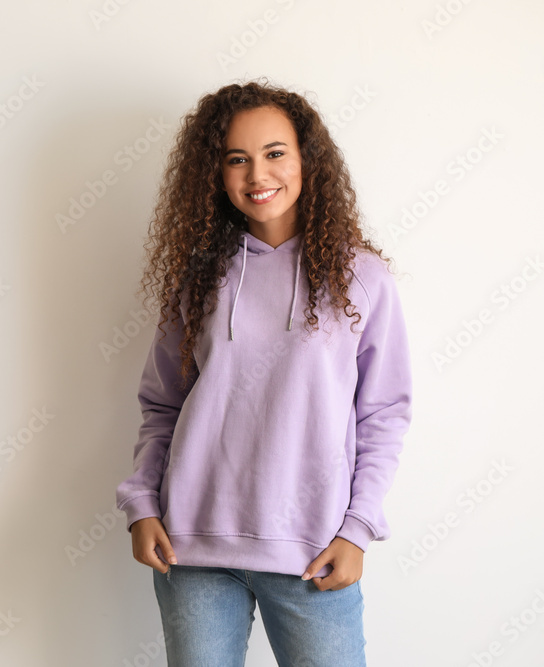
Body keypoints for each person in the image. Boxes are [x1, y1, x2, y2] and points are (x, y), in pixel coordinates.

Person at [114, 79, 414, 666]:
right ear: (216, 175)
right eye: (237, 160)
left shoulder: (362, 279)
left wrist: (356, 530)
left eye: (275, 153)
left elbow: (384, 413)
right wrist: (143, 505)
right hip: (191, 550)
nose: (258, 175)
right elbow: (163, 405)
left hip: (312, 553)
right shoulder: (199, 278)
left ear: (308, 161)